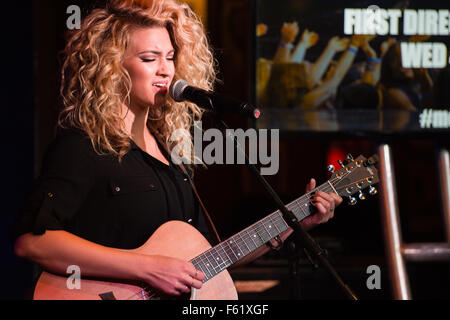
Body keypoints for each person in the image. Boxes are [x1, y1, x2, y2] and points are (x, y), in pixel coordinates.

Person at [13, 0, 342, 299]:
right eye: (149, 58)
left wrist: (293, 223)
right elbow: (34, 241)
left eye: (170, 57)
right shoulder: (83, 145)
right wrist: (148, 268)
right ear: (112, 68)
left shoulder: (172, 157)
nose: (166, 70)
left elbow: (207, 260)